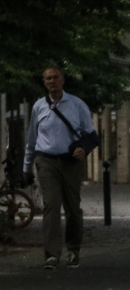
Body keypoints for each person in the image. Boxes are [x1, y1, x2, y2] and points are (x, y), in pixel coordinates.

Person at [24, 65, 97, 269]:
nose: (52, 81)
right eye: (47, 78)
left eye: (55, 77)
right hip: (46, 160)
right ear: (44, 82)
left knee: (73, 208)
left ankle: (73, 250)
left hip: (70, 162)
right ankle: (52, 254)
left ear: (62, 80)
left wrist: (83, 149)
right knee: (51, 205)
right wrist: (26, 165)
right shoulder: (39, 106)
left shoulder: (76, 104)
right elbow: (32, 138)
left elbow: (90, 133)